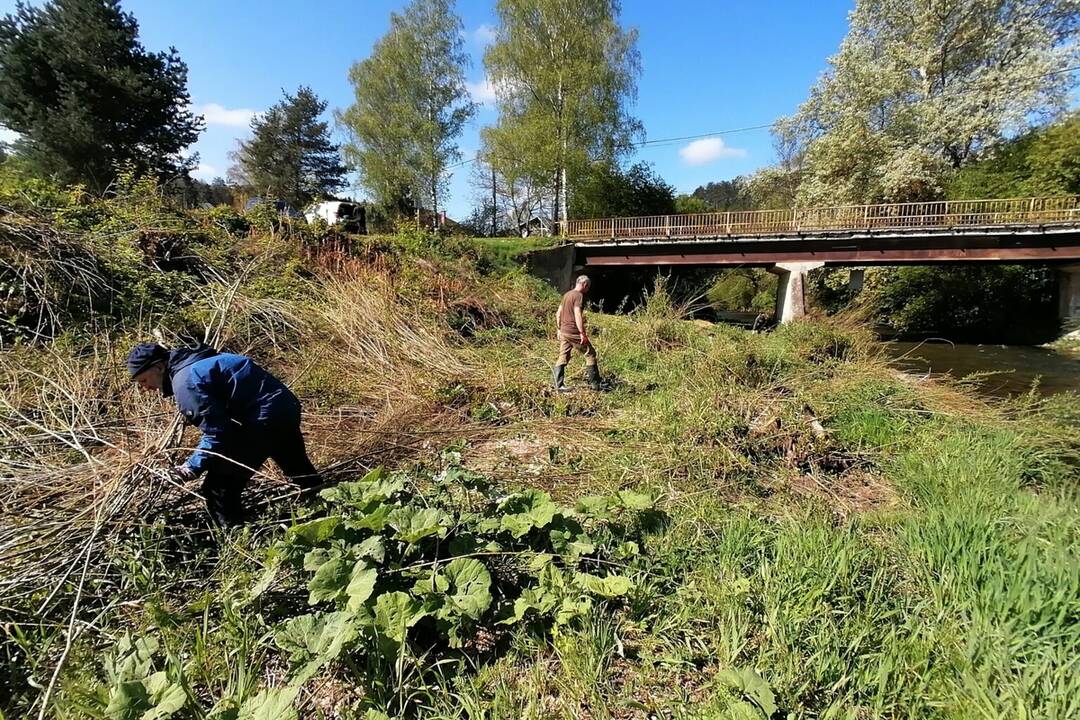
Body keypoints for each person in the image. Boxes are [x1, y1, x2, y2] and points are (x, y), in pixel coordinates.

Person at [127, 342, 321, 526]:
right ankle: (326, 509)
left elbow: (217, 433)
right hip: (285, 407)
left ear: (160, 367)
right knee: (299, 470)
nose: (146, 388)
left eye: (144, 380)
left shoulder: (184, 382)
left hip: (263, 420)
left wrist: (191, 467)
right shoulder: (198, 361)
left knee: (218, 489)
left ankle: (238, 541)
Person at [553, 275, 604, 391]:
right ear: (585, 284)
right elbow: (577, 314)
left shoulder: (567, 295)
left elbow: (558, 313)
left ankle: (558, 385)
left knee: (563, 356)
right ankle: (595, 385)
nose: (588, 289)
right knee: (590, 354)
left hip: (564, 332)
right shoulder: (578, 296)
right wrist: (582, 333)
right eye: (588, 287)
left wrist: (558, 329)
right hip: (573, 331)